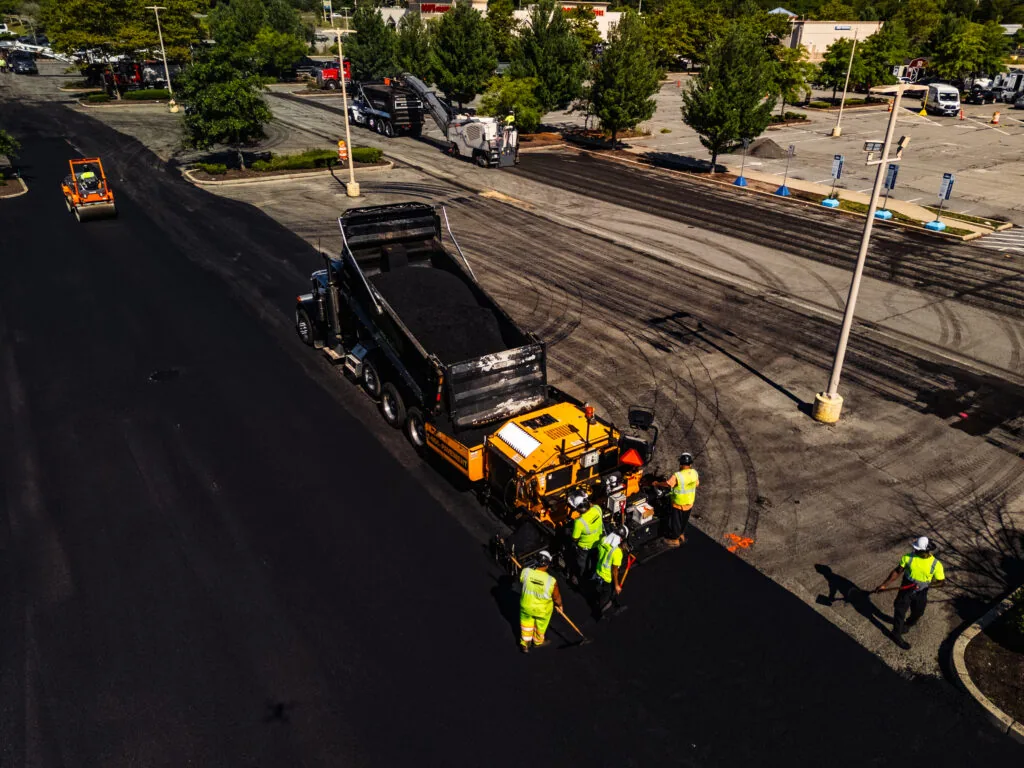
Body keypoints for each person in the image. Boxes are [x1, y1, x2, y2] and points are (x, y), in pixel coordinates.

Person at [876, 536, 945, 650]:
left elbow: (941, 582)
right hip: (906, 589)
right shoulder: (908, 558)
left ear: (926, 551)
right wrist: (884, 584)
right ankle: (896, 633)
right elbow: (897, 571)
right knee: (900, 610)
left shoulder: (936, 564)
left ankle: (906, 625)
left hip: (921, 592)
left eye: (918, 550)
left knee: (918, 612)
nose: (915, 551)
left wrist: (927, 584)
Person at [519, 550, 562, 654]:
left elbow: (521, 580)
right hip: (543, 611)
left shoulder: (525, 572)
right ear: (547, 564)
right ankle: (538, 642)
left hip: (526, 606)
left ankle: (525, 645)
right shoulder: (551, 581)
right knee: (540, 627)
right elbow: (556, 597)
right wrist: (560, 605)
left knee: (526, 625)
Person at [655, 452, 699, 546]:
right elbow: (696, 484)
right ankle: (681, 535)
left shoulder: (677, 475)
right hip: (689, 503)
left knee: (676, 522)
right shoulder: (694, 473)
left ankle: (674, 539)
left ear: (681, 464)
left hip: (679, 504)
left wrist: (657, 484)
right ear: (690, 464)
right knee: (684, 520)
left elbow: (668, 484)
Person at [569, 490, 603, 584]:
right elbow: (592, 505)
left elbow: (575, 538)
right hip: (597, 543)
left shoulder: (579, 522)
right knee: (594, 560)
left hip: (584, 548)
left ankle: (580, 578)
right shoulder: (597, 509)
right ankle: (593, 574)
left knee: (581, 564)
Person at [593, 526, 627, 618]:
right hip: (607, 577)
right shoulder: (617, 552)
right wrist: (616, 585)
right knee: (605, 596)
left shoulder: (603, 540)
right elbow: (615, 571)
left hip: (598, 570)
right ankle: (600, 613)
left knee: (599, 591)